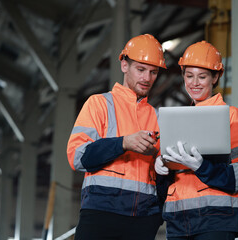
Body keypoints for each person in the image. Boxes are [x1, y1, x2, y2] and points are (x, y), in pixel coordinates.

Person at [154, 41, 238, 240]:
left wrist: (203, 167)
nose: (194, 83)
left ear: (215, 77)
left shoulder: (231, 116)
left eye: (202, 77)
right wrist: (162, 168)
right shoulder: (173, 121)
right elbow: (169, 180)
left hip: (217, 219)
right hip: (179, 220)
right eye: (189, 76)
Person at [66, 34, 167, 240]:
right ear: (124, 65)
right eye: (140, 70)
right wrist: (123, 143)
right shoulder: (99, 104)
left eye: (153, 72)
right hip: (100, 214)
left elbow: (164, 175)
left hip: (143, 220)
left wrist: (157, 215)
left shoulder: (159, 117)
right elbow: (78, 156)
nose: (147, 78)